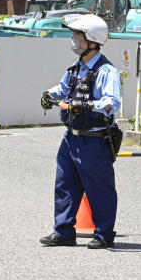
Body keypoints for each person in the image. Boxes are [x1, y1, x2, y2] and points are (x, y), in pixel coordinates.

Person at [39, 14, 121, 249]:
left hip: (94, 140)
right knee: (65, 185)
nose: (74, 39)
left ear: (92, 40)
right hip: (70, 138)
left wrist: (88, 105)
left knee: (99, 188)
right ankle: (63, 231)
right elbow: (63, 88)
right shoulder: (76, 68)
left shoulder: (106, 71)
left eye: (78, 35)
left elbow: (112, 103)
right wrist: (49, 94)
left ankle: (104, 234)